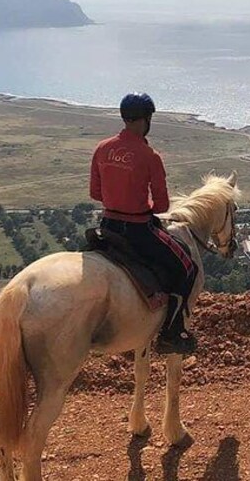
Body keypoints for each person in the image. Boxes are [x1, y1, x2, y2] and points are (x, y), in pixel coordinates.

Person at [89, 93, 198, 355]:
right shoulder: (150, 156)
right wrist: (139, 204)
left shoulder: (102, 148)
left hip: (107, 227)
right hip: (138, 231)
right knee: (188, 269)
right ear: (146, 120)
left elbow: (95, 194)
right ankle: (171, 334)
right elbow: (161, 207)